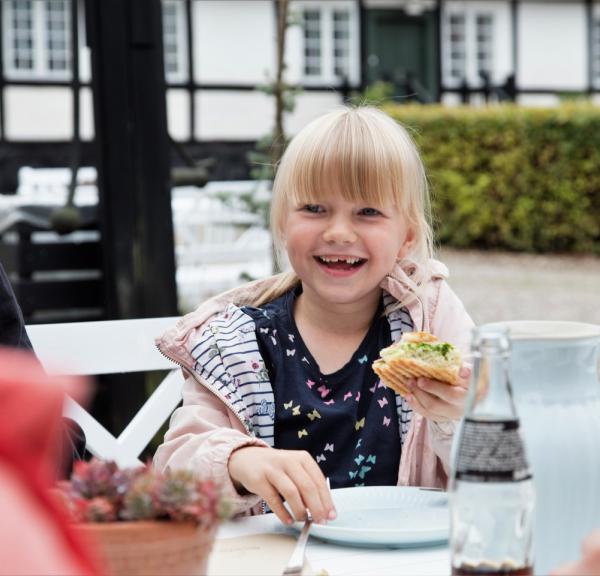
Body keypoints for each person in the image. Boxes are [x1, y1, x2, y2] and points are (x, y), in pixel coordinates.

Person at [154, 106, 474, 526]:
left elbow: (501, 464)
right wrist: (240, 461)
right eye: (314, 209)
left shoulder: (431, 320)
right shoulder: (236, 342)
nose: (339, 231)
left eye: (368, 212)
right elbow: (174, 468)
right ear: (283, 225)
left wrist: (459, 416)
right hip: (277, 559)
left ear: (406, 238)